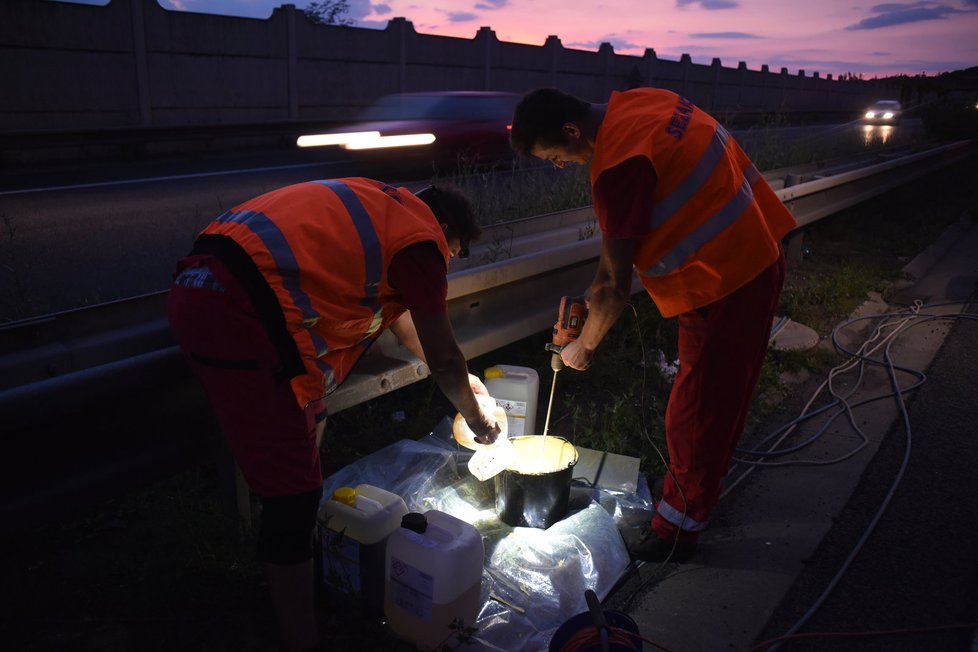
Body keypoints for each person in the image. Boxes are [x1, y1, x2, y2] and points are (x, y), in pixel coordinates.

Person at [166, 178, 500, 651]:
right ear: (443, 228)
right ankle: (302, 636)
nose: (445, 262)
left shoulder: (387, 210)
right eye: (454, 252)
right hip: (237, 311)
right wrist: (481, 420)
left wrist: (470, 389)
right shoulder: (420, 239)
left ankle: (298, 566)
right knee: (294, 499)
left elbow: (412, 334)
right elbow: (444, 361)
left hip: (203, 280)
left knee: (305, 426)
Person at [510, 87, 796, 563]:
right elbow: (612, 267)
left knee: (696, 411)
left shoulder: (619, 165)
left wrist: (583, 347)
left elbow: (616, 288)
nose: (561, 164)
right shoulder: (645, 103)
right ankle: (702, 499)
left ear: (571, 130)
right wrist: (588, 298)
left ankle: (676, 531)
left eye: (556, 155)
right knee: (722, 398)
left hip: (723, 281)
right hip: (756, 250)